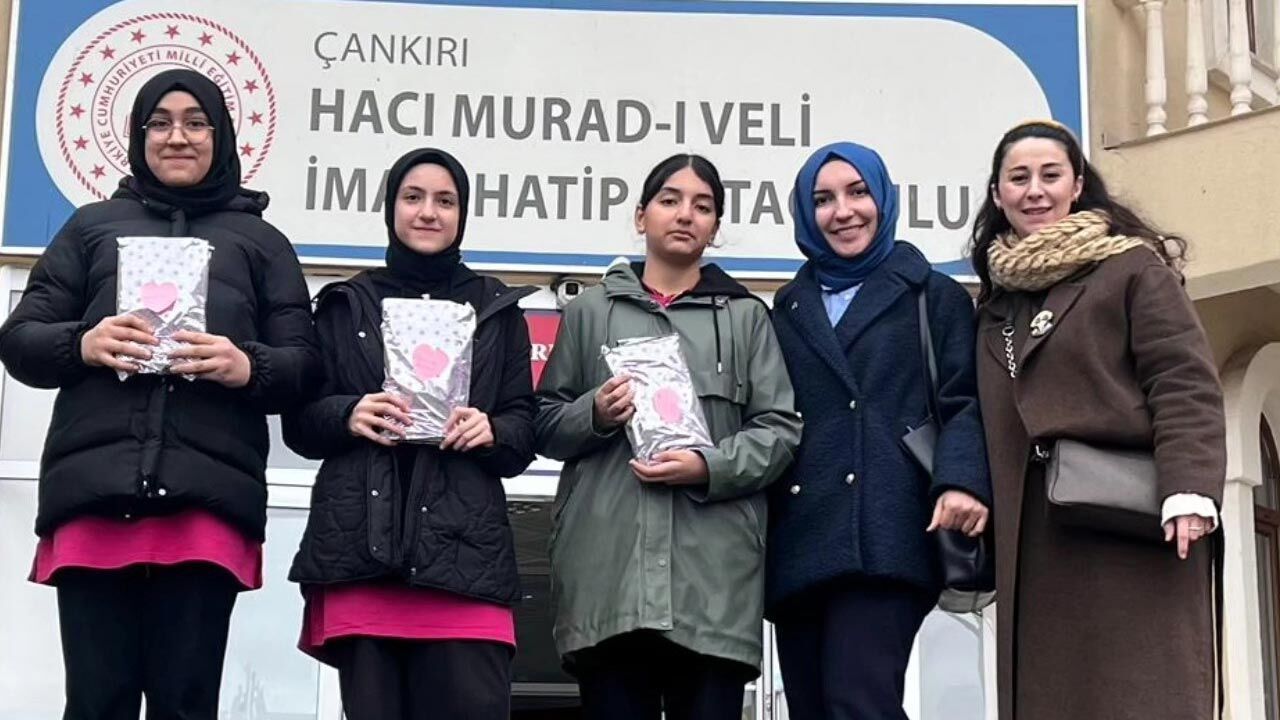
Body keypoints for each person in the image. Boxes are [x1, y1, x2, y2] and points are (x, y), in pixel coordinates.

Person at [0, 68, 320, 720]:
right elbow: (20, 339)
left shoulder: (262, 243)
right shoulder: (90, 228)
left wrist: (246, 364)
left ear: (221, 136)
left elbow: (306, 368)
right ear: (138, 134)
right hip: (94, 497)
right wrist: (83, 343)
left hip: (206, 505)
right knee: (96, 703)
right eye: (160, 123)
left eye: (196, 123)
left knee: (185, 703)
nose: (178, 137)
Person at [968, 119, 1224, 719]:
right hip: (1037, 538)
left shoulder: (1131, 270)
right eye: (1019, 178)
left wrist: (1189, 488)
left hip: (1133, 527)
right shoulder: (997, 302)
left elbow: (1183, 380)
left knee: (1137, 695)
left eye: (1050, 175)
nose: (1035, 190)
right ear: (998, 194)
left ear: (1078, 185)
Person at [534, 153, 802, 720]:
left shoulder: (747, 318)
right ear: (641, 216)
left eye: (702, 206)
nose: (685, 215)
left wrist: (709, 467)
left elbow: (779, 430)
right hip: (608, 583)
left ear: (715, 227)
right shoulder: (589, 312)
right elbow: (544, 423)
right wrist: (595, 413)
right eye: (670, 200)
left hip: (712, 586)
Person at [284, 148, 535, 720]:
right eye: (413, 197)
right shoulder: (346, 303)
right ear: (390, 207)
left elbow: (524, 431)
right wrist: (348, 413)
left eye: (445, 201)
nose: (428, 212)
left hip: (465, 563)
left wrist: (492, 429)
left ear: (462, 215)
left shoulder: (496, 307)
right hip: (363, 559)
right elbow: (300, 425)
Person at [766, 141, 992, 719]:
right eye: (823, 199)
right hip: (801, 540)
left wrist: (960, 481)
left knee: (859, 702)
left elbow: (964, 401)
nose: (843, 211)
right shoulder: (786, 309)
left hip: (887, 531)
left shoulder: (932, 294)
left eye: (858, 192)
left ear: (884, 198)